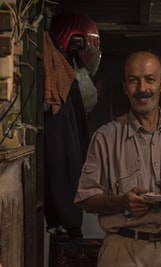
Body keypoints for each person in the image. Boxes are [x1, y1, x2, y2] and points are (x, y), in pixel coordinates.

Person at [74, 51, 161, 267]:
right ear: (125, 87)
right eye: (134, 81)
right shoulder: (105, 137)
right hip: (121, 251)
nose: (142, 89)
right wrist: (122, 202)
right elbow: (86, 198)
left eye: (150, 79)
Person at [44, 12, 101, 239]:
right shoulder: (62, 87)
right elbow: (64, 155)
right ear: (75, 42)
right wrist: (71, 220)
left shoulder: (66, 81)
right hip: (65, 206)